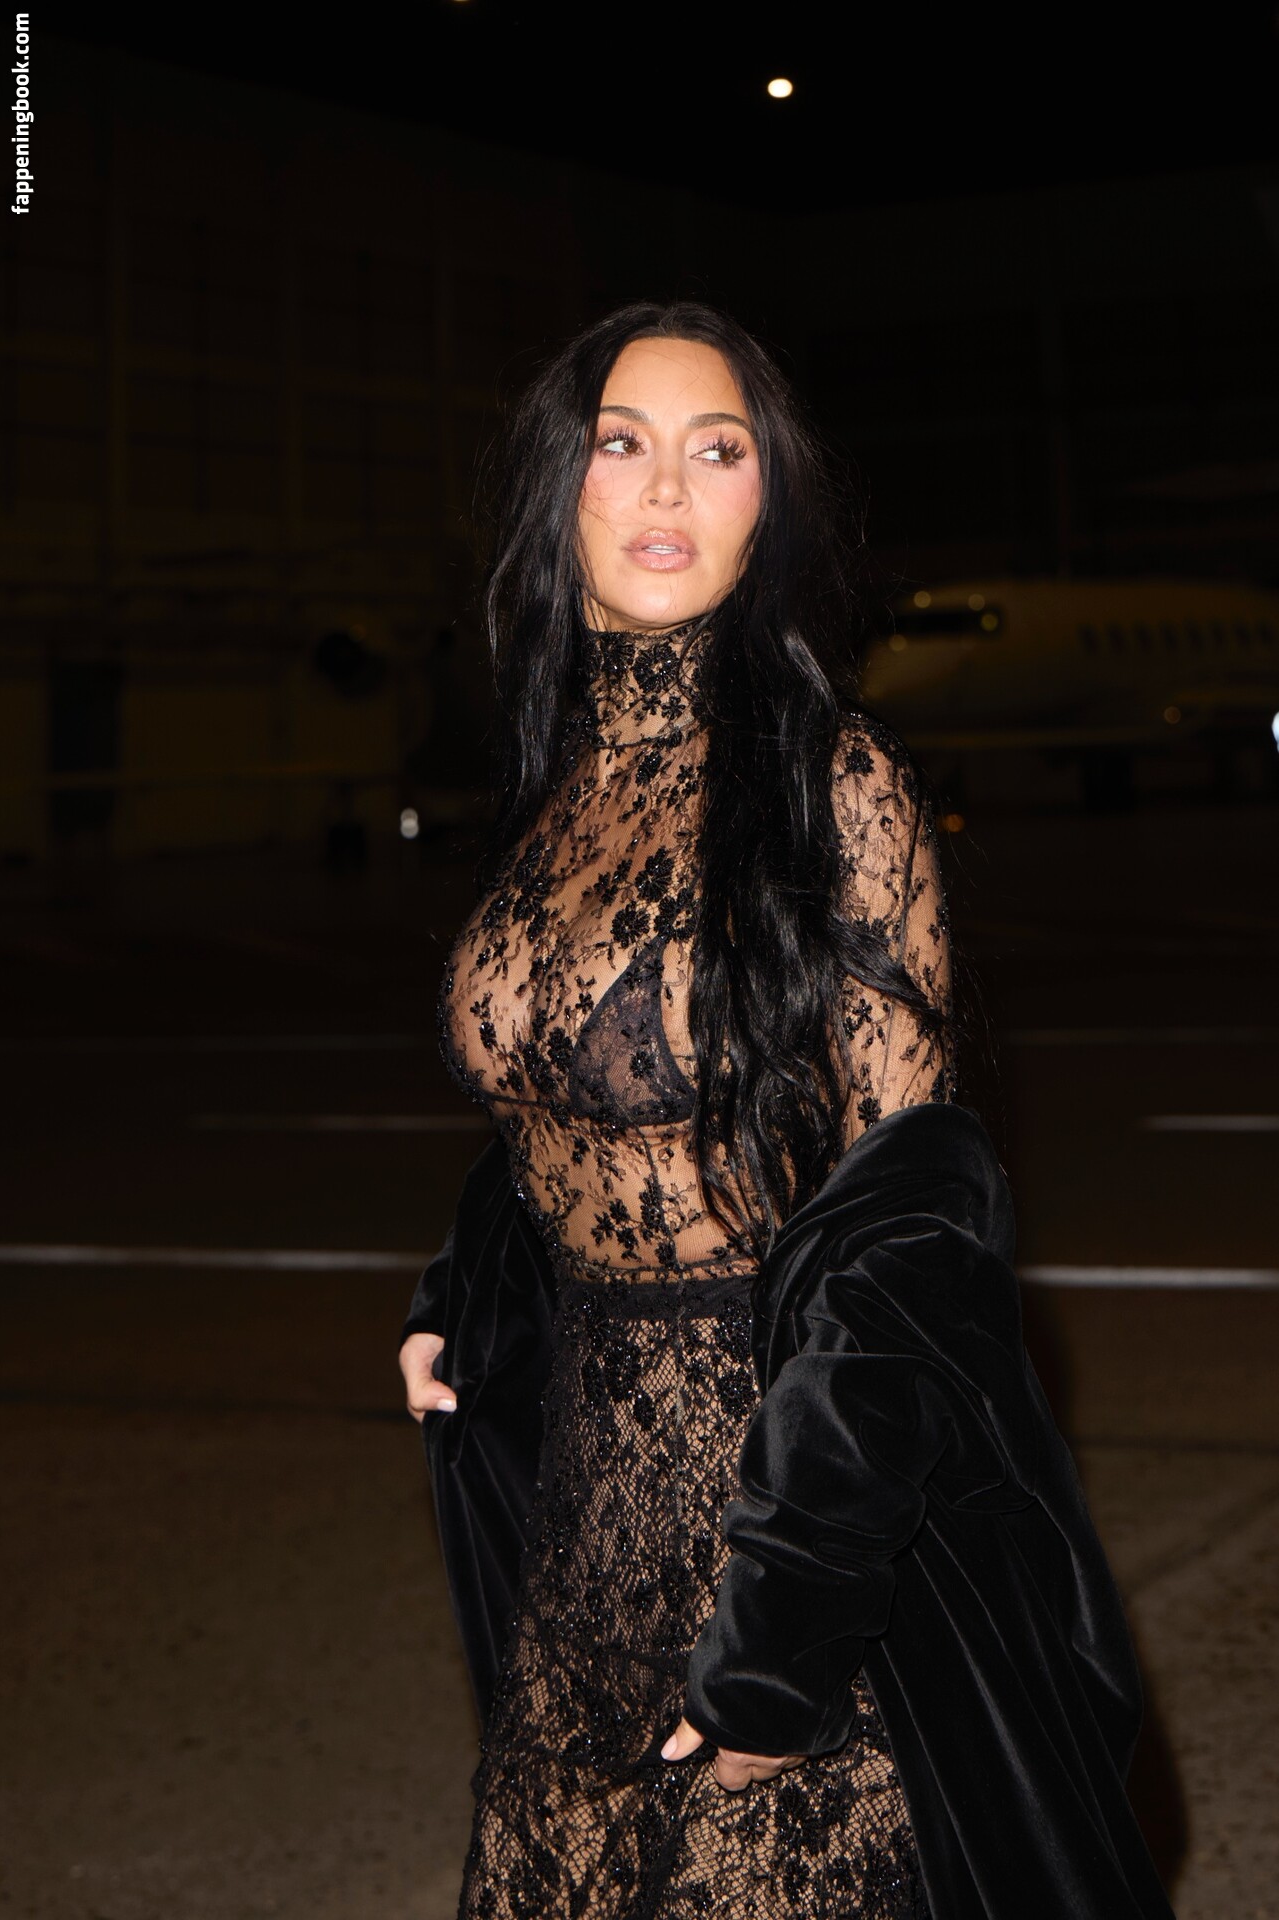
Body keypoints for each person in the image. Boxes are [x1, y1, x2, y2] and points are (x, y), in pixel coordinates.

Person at [399, 303, 1170, 1918]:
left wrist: (791, 1626)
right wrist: (462, 1297)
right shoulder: (552, 783)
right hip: (583, 1519)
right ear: (558, 483)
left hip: (781, 1513)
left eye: (718, 449)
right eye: (621, 442)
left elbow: (908, 1234)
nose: (664, 487)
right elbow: (562, 1105)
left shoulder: (837, 786)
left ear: (770, 503)